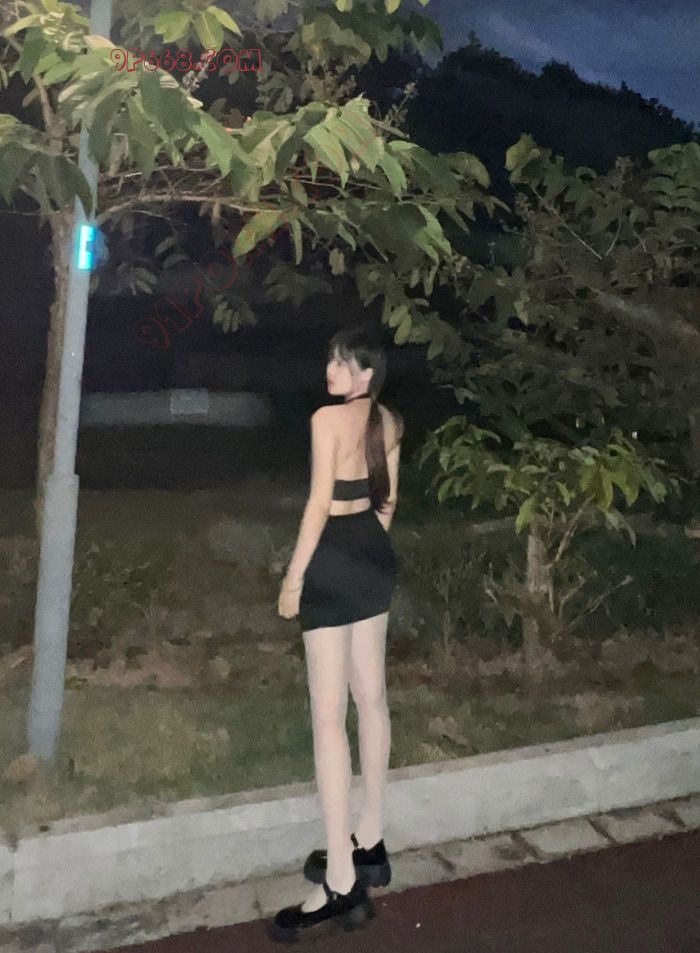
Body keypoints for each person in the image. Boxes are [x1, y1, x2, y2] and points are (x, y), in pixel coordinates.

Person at [269, 326, 403, 943]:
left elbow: (318, 504)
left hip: (330, 562)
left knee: (329, 717)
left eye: (344, 362)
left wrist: (294, 578)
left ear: (366, 373)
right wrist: (366, 552)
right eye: (330, 359)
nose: (332, 368)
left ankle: (342, 879)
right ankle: (370, 837)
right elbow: (386, 504)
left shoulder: (326, 420)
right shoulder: (390, 423)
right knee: (370, 698)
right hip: (372, 557)